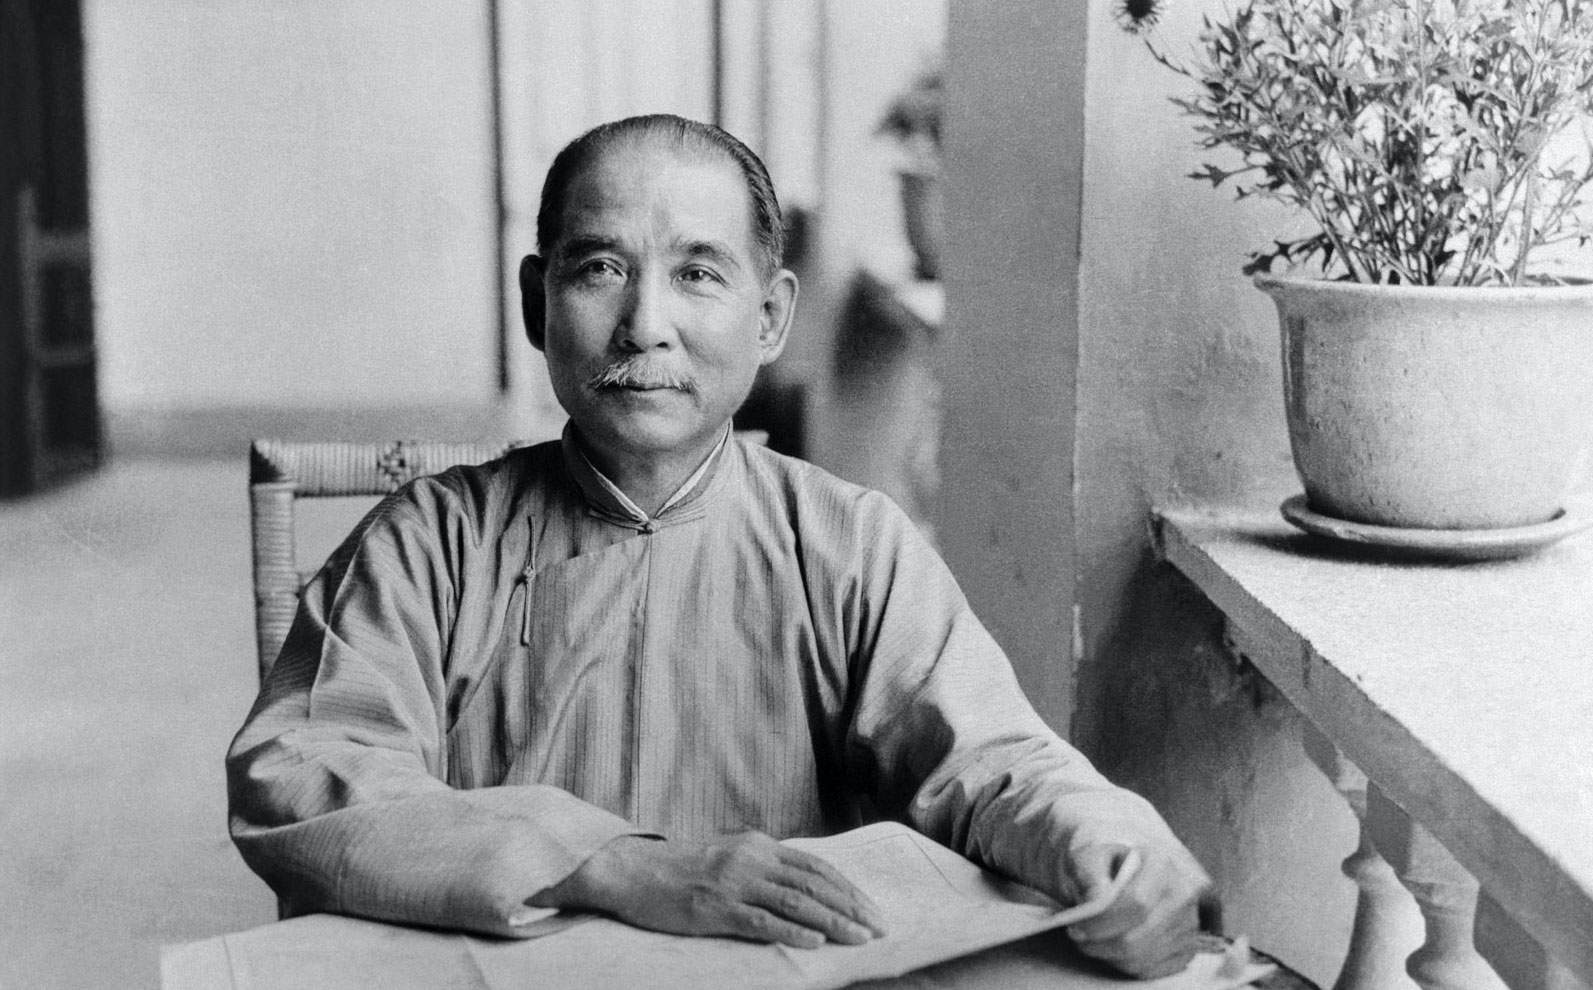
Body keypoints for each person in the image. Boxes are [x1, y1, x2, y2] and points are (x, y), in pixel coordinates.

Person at [227, 114, 1209, 979]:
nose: (644, 326)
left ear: (770, 315)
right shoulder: (433, 540)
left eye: (697, 274)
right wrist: (615, 866)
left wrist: (1110, 844)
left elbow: (992, 760)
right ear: (536, 302)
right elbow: (302, 769)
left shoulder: (848, 544)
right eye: (599, 269)